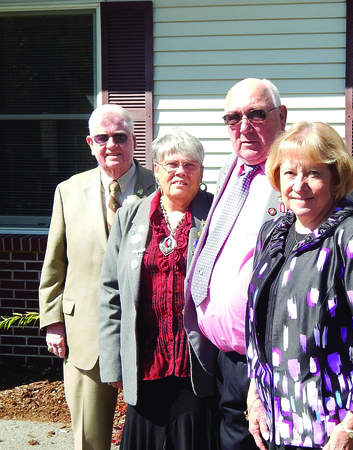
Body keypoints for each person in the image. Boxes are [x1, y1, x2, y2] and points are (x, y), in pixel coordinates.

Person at [245, 121, 353, 450]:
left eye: (313, 173)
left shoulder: (352, 237)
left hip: (328, 429)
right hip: (275, 424)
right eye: (289, 173)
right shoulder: (272, 234)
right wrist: (254, 390)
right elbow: (257, 321)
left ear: (335, 178)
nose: (299, 185)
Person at [39, 104, 155, 450]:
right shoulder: (68, 191)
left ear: (134, 141)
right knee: (89, 436)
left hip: (147, 331)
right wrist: (53, 321)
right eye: (102, 138)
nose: (111, 145)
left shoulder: (159, 188)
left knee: (149, 431)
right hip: (84, 331)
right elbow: (55, 262)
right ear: (90, 143)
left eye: (120, 137)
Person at [185, 78, 288, 450]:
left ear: (281, 116)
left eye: (256, 115)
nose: (243, 127)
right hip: (227, 360)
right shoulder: (233, 170)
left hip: (273, 359)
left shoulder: (298, 171)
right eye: (232, 118)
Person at [97, 128, 216, 449]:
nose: (180, 171)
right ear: (156, 170)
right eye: (171, 164)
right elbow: (111, 292)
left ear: (201, 172)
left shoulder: (216, 214)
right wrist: (112, 362)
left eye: (190, 165)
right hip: (145, 362)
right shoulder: (130, 215)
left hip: (196, 366)